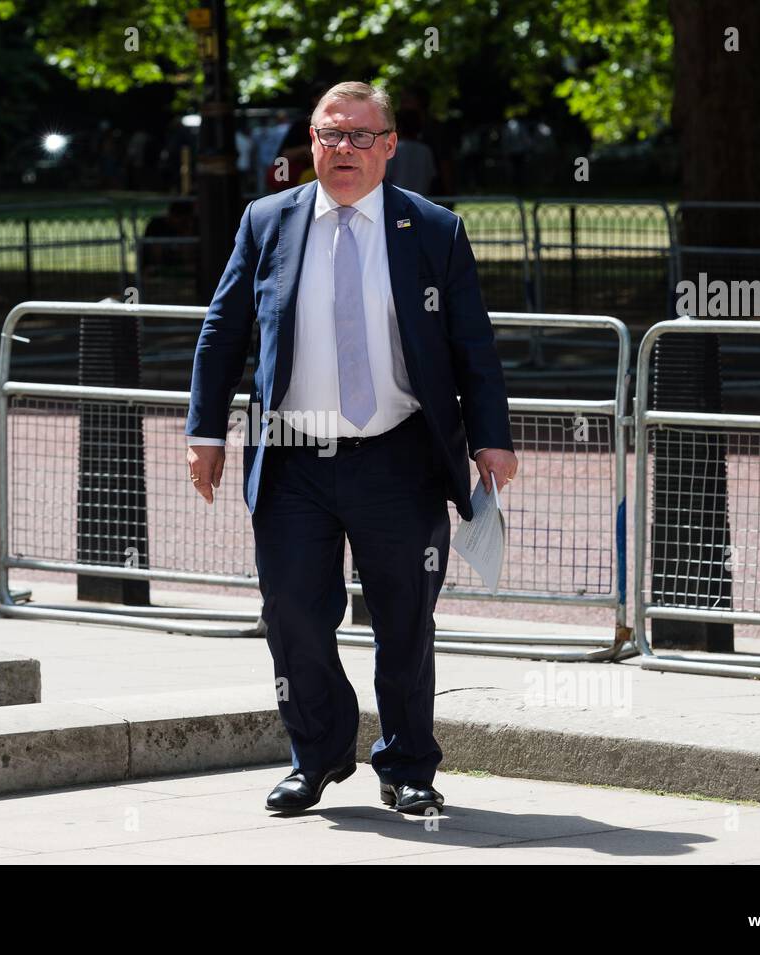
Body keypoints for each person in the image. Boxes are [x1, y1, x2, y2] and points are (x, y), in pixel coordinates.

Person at [185, 81, 519, 815]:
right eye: (331, 135)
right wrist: (204, 431)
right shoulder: (266, 221)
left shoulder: (433, 230)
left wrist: (492, 439)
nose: (345, 149)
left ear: (390, 146)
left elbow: (473, 345)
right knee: (293, 614)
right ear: (311, 143)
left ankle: (407, 765)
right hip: (293, 459)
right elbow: (224, 329)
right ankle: (319, 754)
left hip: (397, 457)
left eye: (361, 136)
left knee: (404, 619)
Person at [384, 108, 437, 194]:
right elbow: (431, 178)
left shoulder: (394, 148)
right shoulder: (426, 151)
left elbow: (385, 176)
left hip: (396, 200)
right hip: (420, 200)